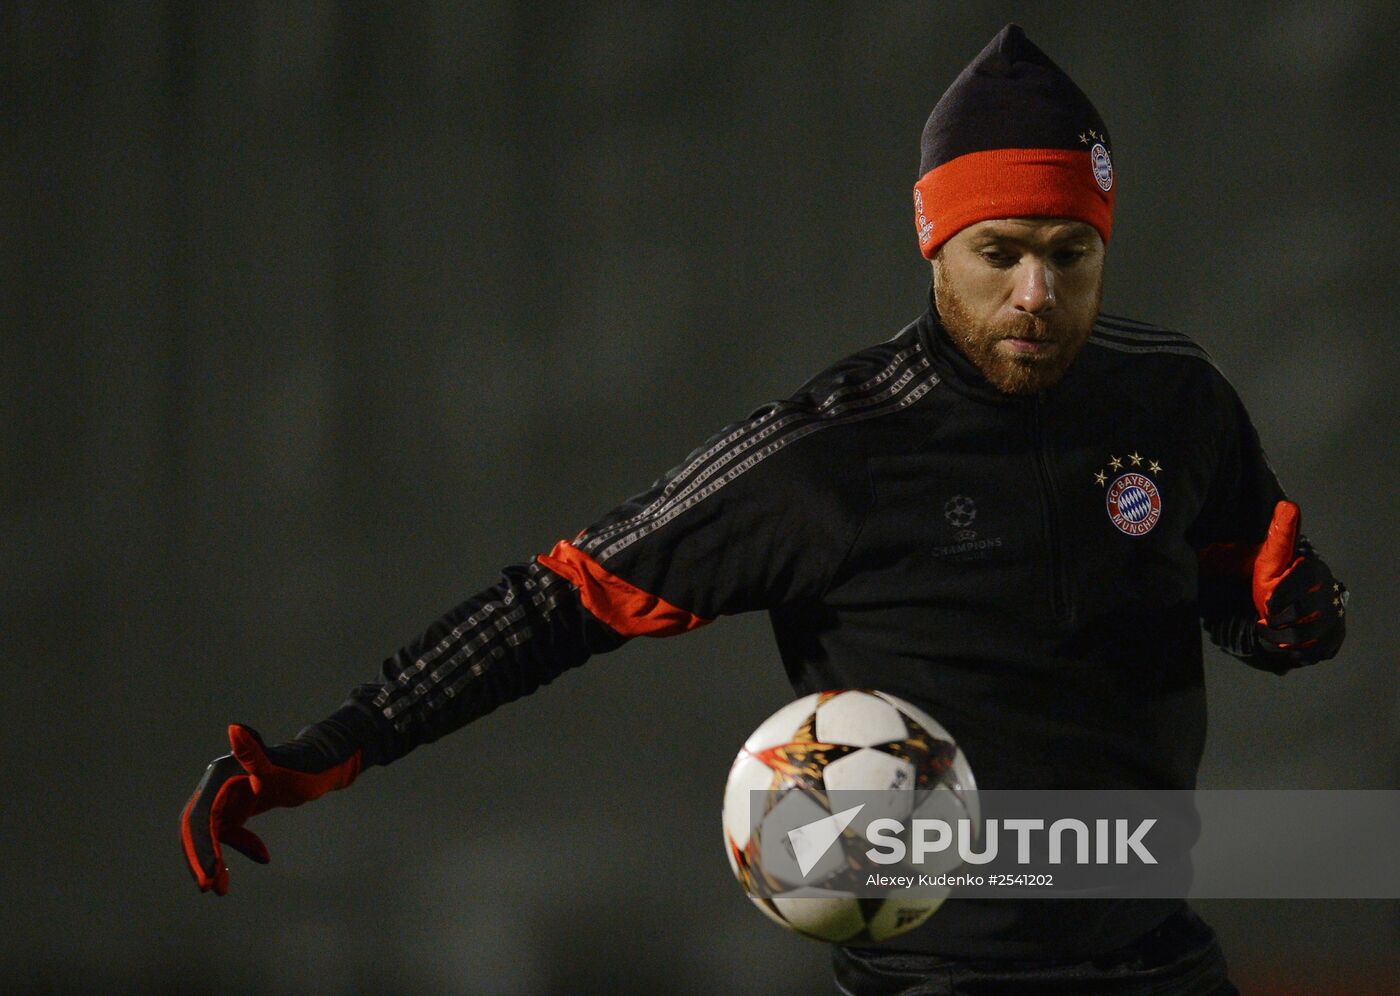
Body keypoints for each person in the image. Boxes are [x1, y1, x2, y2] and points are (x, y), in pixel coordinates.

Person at [180, 24, 1347, 995]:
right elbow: (559, 599)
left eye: (1068, 255)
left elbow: (1246, 599)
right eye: (998, 253)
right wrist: (338, 744)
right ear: (933, 244)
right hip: (940, 982)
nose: (1034, 294)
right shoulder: (827, 456)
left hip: (1160, 963)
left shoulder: (1176, 397)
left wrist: (1290, 623)